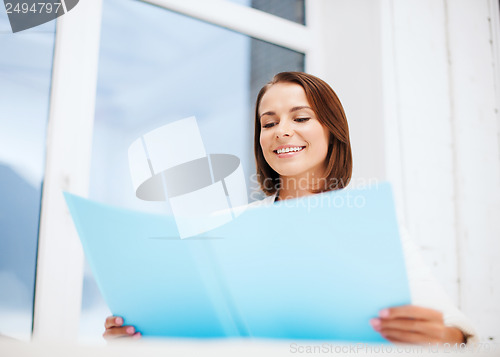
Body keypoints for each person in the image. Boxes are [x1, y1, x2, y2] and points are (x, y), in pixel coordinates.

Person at [103, 72, 477, 344]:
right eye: (269, 123)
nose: (282, 130)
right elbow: (185, 325)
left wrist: (442, 334)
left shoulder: (370, 225)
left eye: (300, 118)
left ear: (333, 133)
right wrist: (136, 334)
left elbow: (459, 331)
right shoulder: (222, 227)